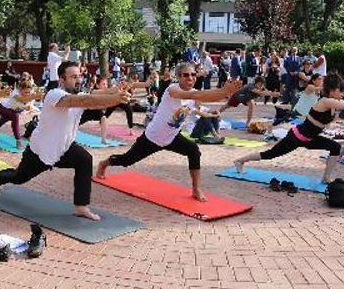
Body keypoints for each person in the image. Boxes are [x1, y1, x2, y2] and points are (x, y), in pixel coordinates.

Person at [0, 61, 132, 221]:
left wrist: (116, 91)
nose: (78, 80)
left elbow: (97, 94)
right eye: (73, 77)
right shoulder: (54, 95)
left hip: (64, 148)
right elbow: (84, 101)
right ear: (62, 80)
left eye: (79, 76)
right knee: (19, 177)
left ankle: (81, 206)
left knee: (84, 160)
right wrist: (115, 99)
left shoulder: (79, 95)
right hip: (41, 152)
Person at [96, 63, 242, 201]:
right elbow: (197, 96)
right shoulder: (172, 90)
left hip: (172, 137)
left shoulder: (194, 94)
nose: (190, 78)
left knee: (194, 151)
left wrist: (225, 94)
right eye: (185, 75)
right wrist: (224, 91)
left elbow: (203, 99)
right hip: (152, 138)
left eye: (193, 74)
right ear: (178, 77)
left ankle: (196, 189)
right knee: (127, 160)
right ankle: (104, 163)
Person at [233, 74, 344, 183]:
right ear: (332, 90)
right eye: (339, 90)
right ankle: (239, 161)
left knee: (336, 148)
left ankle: (326, 177)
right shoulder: (326, 101)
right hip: (296, 137)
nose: (341, 93)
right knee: (269, 155)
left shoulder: (333, 102)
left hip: (310, 139)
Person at [0, 79, 42, 149]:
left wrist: (29, 107)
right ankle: (18, 140)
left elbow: (28, 104)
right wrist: (32, 98)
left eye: (29, 92)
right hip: (3, 108)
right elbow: (22, 100)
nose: (27, 94)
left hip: (12, 111)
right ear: (20, 89)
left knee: (7, 117)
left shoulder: (30, 94)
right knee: (15, 117)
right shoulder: (15, 94)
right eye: (26, 92)